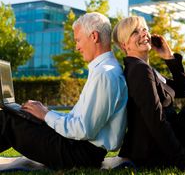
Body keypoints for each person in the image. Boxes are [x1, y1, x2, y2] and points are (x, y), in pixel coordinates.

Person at [0, 12, 128, 170]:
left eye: (78, 40)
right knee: (17, 115)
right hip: (76, 147)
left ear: (94, 36)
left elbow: (83, 130)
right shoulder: (104, 70)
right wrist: (44, 114)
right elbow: (78, 121)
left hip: (77, 154)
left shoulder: (105, 74)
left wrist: (46, 115)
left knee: (7, 119)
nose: (77, 47)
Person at [113, 15, 185, 171]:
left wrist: (169, 57)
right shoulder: (139, 70)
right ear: (124, 45)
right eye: (135, 32)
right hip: (158, 151)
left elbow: (184, 90)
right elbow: (156, 122)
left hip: (168, 138)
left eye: (144, 29)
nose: (143, 33)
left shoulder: (146, 69)